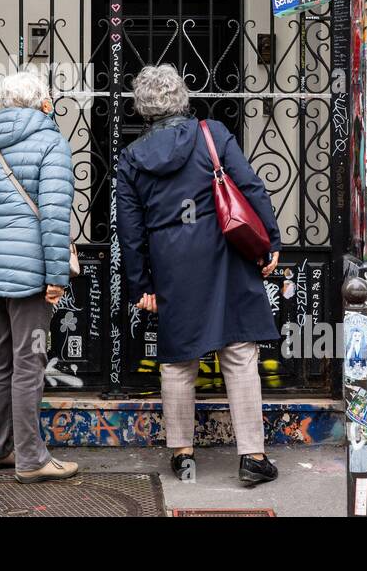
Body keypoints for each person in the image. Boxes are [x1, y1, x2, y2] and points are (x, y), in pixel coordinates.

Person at [115, 64, 283, 484]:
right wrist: (270, 243)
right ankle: (252, 457)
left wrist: (142, 284)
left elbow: (129, 229)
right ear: (181, 98)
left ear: (143, 108)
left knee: (178, 360)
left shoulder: (132, 158)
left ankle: (184, 456)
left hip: (172, 262)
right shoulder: (212, 134)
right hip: (224, 253)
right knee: (240, 351)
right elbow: (251, 187)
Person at [0, 70, 77, 483]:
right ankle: (31, 458)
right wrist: (56, 276)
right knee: (29, 363)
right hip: (30, 277)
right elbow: (55, 218)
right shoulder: (53, 146)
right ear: (43, 101)